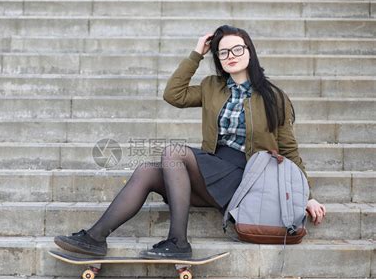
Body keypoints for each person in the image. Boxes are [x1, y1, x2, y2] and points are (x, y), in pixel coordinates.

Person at [54, 25, 326, 259]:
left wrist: (307, 196)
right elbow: (173, 95)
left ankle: (178, 242)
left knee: (174, 152)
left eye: (237, 49)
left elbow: (290, 151)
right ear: (218, 58)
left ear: (250, 51)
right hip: (213, 170)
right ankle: (95, 238)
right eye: (223, 52)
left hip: (247, 179)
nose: (230, 56)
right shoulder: (211, 86)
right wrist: (197, 53)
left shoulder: (274, 96)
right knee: (147, 170)